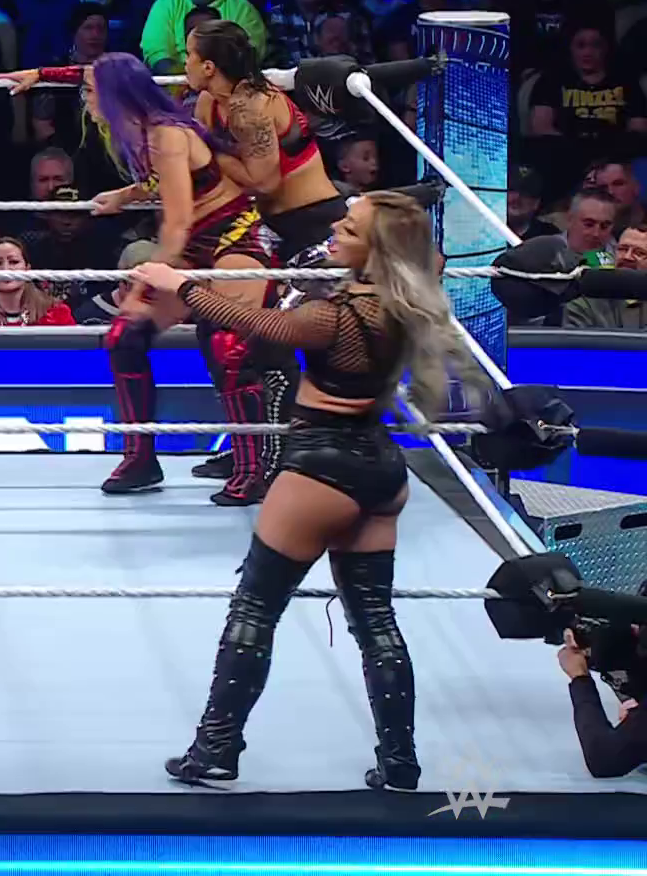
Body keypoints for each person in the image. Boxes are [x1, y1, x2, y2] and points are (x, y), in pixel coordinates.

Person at [130, 191, 484, 791]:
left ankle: (216, 748)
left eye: (350, 227)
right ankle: (400, 761)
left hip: (322, 466)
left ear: (375, 250)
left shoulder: (338, 316)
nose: (336, 230)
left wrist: (181, 285)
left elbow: (263, 324)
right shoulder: (408, 301)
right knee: (375, 621)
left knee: (255, 607)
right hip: (380, 468)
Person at [0, 54, 276, 496]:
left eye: (92, 93)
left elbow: (177, 222)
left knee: (226, 345)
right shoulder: (140, 129)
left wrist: (148, 280)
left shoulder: (167, 134)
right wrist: (41, 73)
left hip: (234, 240)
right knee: (123, 336)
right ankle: (140, 459)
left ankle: (252, 469)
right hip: (193, 246)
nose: (86, 98)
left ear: (116, 96)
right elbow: (162, 182)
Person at [182, 19, 345, 502]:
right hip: (262, 228)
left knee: (266, 342)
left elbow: (265, 180)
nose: (182, 63)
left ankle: (274, 458)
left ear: (209, 66)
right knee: (219, 331)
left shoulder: (252, 106)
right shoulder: (209, 101)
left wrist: (205, 153)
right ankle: (248, 449)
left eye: (189, 55)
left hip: (310, 227)